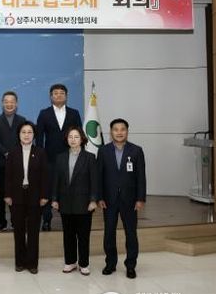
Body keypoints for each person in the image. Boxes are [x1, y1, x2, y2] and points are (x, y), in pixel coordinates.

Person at [97, 118, 146, 279]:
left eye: (122, 129)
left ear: (127, 131)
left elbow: (141, 177)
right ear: (111, 132)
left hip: (130, 200)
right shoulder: (103, 151)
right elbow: (99, 176)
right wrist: (100, 197)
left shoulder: (136, 151)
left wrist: (140, 198)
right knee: (109, 233)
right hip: (109, 200)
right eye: (116, 129)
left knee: (131, 234)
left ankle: (130, 265)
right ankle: (110, 263)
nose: (119, 132)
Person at [52, 126, 99, 276]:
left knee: (83, 236)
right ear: (66, 139)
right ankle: (70, 262)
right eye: (70, 137)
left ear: (82, 139)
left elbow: (94, 181)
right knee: (68, 235)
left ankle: (84, 263)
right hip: (65, 202)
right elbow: (56, 180)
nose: (73, 140)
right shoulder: (60, 157)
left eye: (76, 137)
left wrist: (93, 200)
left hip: (84, 203)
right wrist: (54, 199)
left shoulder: (90, 157)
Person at [35, 83, 82, 231]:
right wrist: (40, 156)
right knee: (48, 189)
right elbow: (39, 137)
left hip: (70, 157)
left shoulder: (74, 113)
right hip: (49, 158)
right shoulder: (44, 113)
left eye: (62, 93)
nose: (59, 95)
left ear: (66, 96)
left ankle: (68, 219)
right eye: (55, 93)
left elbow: (79, 134)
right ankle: (46, 220)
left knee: (68, 188)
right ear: (51, 96)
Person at [4, 121, 48, 274]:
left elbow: (45, 176)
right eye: (23, 132)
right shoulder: (12, 152)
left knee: (34, 231)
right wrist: (7, 194)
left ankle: (32, 263)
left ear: (34, 135)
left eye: (30, 132)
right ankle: (20, 262)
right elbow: (8, 176)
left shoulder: (41, 152)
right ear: (18, 135)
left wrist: (44, 195)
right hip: (17, 195)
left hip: (35, 195)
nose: (26, 135)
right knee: (19, 230)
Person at [0, 90, 26, 231]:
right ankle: (1, 221)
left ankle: (16, 220)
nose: (9, 104)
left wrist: (14, 153)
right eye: (6, 102)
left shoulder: (22, 120)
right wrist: (5, 152)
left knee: (17, 194)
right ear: (2, 103)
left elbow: (25, 138)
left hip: (18, 163)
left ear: (16, 104)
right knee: (0, 194)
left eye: (12, 102)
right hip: (0, 163)